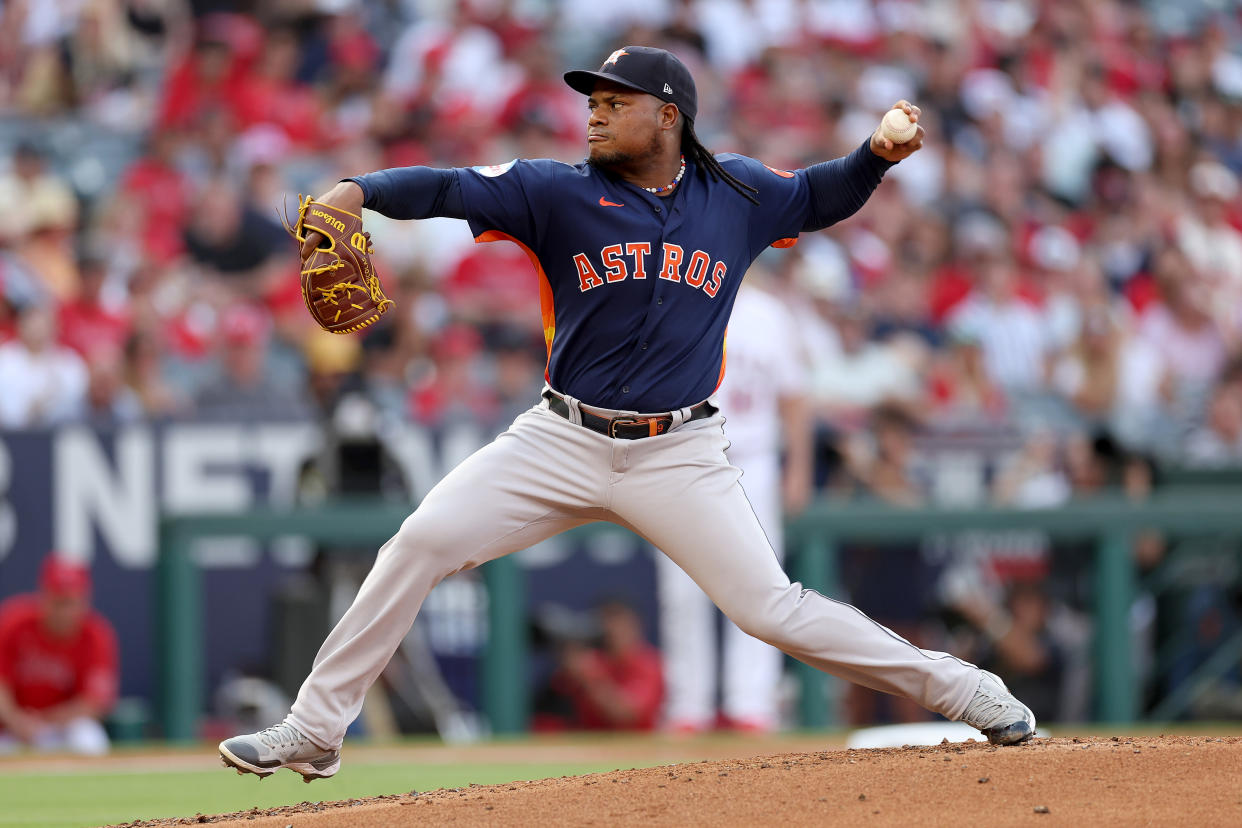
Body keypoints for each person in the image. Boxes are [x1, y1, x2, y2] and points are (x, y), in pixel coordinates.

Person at [219, 46, 1035, 782]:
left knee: (769, 609)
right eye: (593, 100)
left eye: (616, 101)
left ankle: (968, 690)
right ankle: (315, 728)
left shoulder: (736, 193)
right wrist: (354, 190)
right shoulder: (555, 191)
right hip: (559, 437)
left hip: (678, 452)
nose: (596, 113)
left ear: (669, 115)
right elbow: (446, 186)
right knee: (420, 542)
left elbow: (822, 194)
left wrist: (877, 155)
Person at [656, 274, 811, 733]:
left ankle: (752, 704)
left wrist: (797, 467)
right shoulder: (674, 298)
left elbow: (795, 398)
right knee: (683, 591)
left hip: (754, 459)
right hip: (682, 457)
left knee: (761, 584)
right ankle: (689, 705)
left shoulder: (769, 313)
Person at [0, 555, 119, 755]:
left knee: (90, 738)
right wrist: (16, 720)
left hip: (61, 729)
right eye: (58, 601)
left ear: (84, 599)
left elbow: (94, 702)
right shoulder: (14, 623)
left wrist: (45, 722)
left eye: (70, 601)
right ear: (44, 595)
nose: (64, 611)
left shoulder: (96, 635)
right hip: (11, 729)